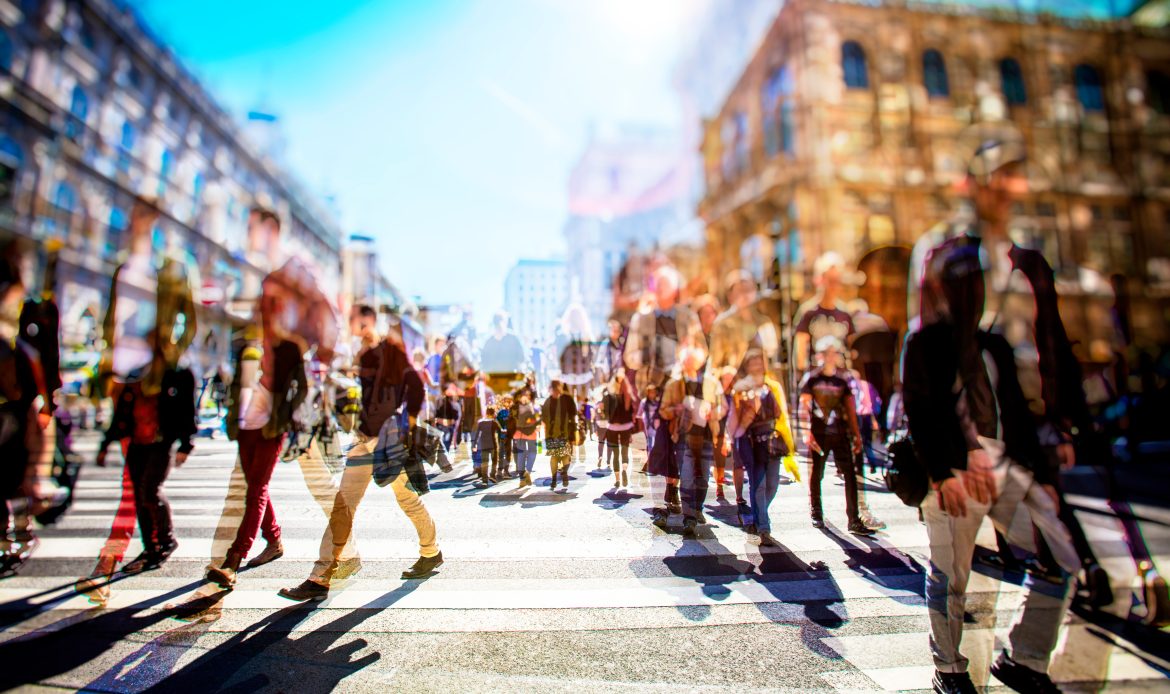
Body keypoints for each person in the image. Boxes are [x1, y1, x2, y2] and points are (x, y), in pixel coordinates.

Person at [905, 124, 1083, 694]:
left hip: (1011, 451)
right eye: (997, 173)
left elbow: (1048, 354)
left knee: (1059, 557)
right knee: (951, 574)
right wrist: (947, 461)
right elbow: (924, 366)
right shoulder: (944, 255)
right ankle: (950, 669)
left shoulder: (1029, 265)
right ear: (971, 181)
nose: (1008, 185)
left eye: (1014, 173)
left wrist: (1052, 444)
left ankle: (1024, 659)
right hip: (959, 453)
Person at [207, 207, 337, 589]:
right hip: (254, 390)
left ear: (272, 229)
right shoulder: (257, 277)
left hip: (284, 393)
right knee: (253, 477)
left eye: (254, 228)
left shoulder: (296, 271)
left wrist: (313, 370)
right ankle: (277, 540)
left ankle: (232, 561)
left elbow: (328, 322)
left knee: (261, 483)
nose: (249, 235)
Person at [78, 197, 198, 600]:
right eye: (133, 217)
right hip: (125, 384)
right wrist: (107, 369)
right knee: (135, 484)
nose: (136, 224)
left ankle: (110, 561)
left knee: (140, 488)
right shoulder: (122, 267)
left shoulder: (171, 269)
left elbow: (190, 322)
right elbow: (113, 322)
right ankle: (139, 549)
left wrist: (168, 354)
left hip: (153, 383)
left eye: (144, 217)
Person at [279, 309, 441, 601]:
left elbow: (416, 387)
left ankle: (431, 552)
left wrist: (409, 426)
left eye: (363, 323)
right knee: (344, 504)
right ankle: (321, 575)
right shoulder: (356, 355)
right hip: (362, 439)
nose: (360, 329)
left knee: (407, 500)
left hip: (387, 442)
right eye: (357, 324)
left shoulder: (389, 351)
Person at [95, 330, 197, 573]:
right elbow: (123, 411)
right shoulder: (137, 373)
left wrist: (185, 443)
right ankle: (151, 545)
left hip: (161, 442)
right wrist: (106, 443)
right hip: (137, 442)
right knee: (140, 495)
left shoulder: (179, 374)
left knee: (150, 491)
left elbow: (186, 410)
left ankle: (166, 540)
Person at [798, 336, 873, 537]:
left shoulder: (842, 380)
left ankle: (854, 519)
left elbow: (850, 407)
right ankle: (816, 512)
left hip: (840, 434)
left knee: (850, 475)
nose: (831, 357)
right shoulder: (812, 379)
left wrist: (856, 434)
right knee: (817, 473)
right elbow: (804, 406)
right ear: (820, 356)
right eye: (827, 353)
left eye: (834, 353)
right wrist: (806, 432)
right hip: (819, 433)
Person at [726, 349, 795, 546]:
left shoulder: (771, 386)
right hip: (752, 441)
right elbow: (735, 420)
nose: (757, 366)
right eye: (753, 362)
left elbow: (780, 413)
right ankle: (763, 527)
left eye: (760, 362)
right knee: (759, 483)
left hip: (771, 440)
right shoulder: (741, 389)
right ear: (747, 366)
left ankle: (757, 514)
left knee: (772, 484)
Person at [658, 345, 725, 536]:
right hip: (684, 438)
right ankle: (689, 518)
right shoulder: (675, 384)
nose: (690, 364)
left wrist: (714, 412)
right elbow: (664, 410)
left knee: (703, 477)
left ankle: (697, 509)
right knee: (687, 476)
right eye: (687, 360)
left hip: (705, 437)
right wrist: (677, 410)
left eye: (693, 360)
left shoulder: (710, 383)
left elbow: (722, 407)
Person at [624, 265, 703, 397]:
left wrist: (691, 356)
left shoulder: (689, 318)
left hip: (681, 390)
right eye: (657, 284)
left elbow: (701, 350)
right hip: (649, 390)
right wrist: (648, 354)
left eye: (665, 284)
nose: (660, 288)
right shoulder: (640, 319)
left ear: (674, 289)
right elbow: (629, 357)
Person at [793, 252, 854, 374]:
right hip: (816, 378)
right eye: (830, 280)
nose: (833, 286)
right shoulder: (807, 312)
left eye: (837, 281)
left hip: (840, 378)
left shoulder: (845, 314)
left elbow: (851, 350)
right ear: (819, 279)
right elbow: (800, 354)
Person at [709, 270, 779, 376]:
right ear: (730, 295)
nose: (745, 295)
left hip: (763, 384)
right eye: (740, 291)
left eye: (748, 289)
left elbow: (772, 356)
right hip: (736, 385)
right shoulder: (722, 325)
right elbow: (715, 364)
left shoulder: (764, 322)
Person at [602, 372, 637, 489]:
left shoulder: (608, 397)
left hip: (612, 427)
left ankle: (617, 479)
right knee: (625, 452)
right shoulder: (628, 396)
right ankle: (625, 470)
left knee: (615, 454)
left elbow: (605, 414)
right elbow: (632, 414)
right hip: (626, 427)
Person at [541, 380, 577, 492]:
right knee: (562, 456)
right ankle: (560, 476)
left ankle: (556, 478)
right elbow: (573, 416)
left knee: (559, 457)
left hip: (558, 434)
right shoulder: (566, 399)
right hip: (560, 434)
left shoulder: (548, 401)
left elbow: (544, 420)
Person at [511, 389, 539, 488]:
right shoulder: (534, 407)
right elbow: (538, 419)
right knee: (533, 451)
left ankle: (522, 480)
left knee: (520, 454)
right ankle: (528, 470)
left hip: (518, 433)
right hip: (531, 433)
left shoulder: (514, 407)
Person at [473, 406, 503, 486]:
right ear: (493, 414)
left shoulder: (481, 423)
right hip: (493, 444)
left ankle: (484, 481)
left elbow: (477, 434)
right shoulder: (494, 422)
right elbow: (501, 430)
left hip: (483, 445)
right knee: (494, 461)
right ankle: (492, 475)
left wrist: (474, 444)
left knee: (484, 463)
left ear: (486, 413)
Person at [434, 383, 462, 453]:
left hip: (447, 427)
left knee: (445, 443)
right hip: (443, 426)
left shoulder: (454, 404)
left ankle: (445, 454)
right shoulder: (440, 401)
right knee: (443, 443)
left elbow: (456, 417)